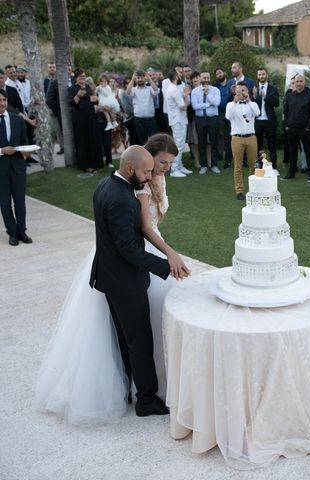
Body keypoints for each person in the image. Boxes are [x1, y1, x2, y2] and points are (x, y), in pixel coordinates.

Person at [35, 136, 190, 423]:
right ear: (131, 169)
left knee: (125, 337)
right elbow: (128, 248)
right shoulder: (121, 199)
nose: (149, 177)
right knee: (140, 339)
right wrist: (166, 265)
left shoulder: (107, 185)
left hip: (111, 275)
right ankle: (146, 399)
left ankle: (129, 388)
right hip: (124, 279)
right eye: (146, 172)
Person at [0, 88, 32, 246]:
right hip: (1, 169)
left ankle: (22, 231)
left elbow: (24, 141)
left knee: (20, 201)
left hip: (18, 167)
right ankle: (12, 233)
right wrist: (1, 150)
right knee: (4, 203)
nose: (2, 103)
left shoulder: (17, 120)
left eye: (4, 100)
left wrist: (26, 152)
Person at [226, 81, 259, 200]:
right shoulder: (230, 104)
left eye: (243, 90)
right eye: (239, 90)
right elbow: (228, 116)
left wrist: (248, 100)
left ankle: (253, 189)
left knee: (253, 164)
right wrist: (235, 101)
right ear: (235, 91)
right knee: (238, 166)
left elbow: (257, 113)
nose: (241, 92)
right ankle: (239, 191)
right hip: (237, 138)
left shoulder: (253, 104)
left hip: (251, 137)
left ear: (248, 91)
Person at [282, 74, 310, 181]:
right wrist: (287, 126)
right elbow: (286, 112)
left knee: (308, 152)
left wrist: (308, 127)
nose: (299, 83)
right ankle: (291, 172)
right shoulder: (290, 96)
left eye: (301, 81)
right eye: (297, 82)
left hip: (305, 130)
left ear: (304, 83)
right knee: (292, 151)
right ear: (294, 83)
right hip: (292, 129)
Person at [68, 68, 103, 173]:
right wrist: (78, 95)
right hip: (79, 117)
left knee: (92, 139)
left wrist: (95, 99)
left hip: (90, 116)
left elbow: (93, 99)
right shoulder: (71, 89)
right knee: (83, 140)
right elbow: (71, 103)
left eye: (83, 76)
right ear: (76, 78)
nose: (82, 78)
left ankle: (95, 163)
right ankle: (85, 165)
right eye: (80, 77)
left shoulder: (88, 87)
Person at [165, 70, 191, 177]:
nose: (180, 77)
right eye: (179, 76)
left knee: (180, 144)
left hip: (180, 120)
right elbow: (184, 107)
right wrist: (186, 94)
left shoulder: (173, 88)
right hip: (177, 120)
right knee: (179, 146)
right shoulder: (173, 89)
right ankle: (174, 169)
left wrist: (185, 95)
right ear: (176, 77)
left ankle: (179, 166)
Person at [253, 68, 280, 171]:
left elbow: (276, 103)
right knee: (258, 146)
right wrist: (255, 96)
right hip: (258, 121)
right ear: (257, 76)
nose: (261, 76)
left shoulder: (273, 89)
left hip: (269, 121)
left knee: (271, 145)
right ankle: (259, 166)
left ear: (266, 75)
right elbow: (251, 103)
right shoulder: (254, 88)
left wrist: (265, 96)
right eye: (259, 75)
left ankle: (274, 168)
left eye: (263, 74)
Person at [126, 69, 159, 145]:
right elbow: (128, 92)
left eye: (142, 78)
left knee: (154, 140)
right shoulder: (133, 90)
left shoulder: (150, 89)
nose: (140, 79)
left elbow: (156, 91)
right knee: (142, 141)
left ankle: (153, 156)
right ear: (135, 79)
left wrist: (149, 79)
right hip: (139, 119)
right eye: (138, 78)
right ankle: (144, 156)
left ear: (145, 79)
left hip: (151, 119)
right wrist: (132, 79)